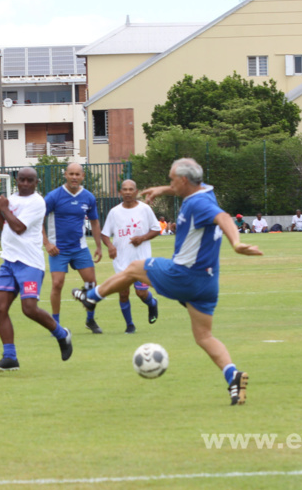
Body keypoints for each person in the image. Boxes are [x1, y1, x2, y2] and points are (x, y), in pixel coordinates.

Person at [73, 158, 262, 405]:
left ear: (184, 180)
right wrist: (163, 189)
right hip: (207, 283)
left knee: (133, 268)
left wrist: (236, 243)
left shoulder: (198, 203)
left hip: (183, 275)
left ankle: (92, 297)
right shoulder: (205, 190)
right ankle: (233, 377)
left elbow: (224, 218)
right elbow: (191, 190)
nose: (170, 183)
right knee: (204, 336)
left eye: (172, 180)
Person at [0, 167, 73, 372]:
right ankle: (10, 357)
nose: (25, 184)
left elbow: (19, 228)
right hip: (9, 261)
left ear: (36, 183)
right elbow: (6, 223)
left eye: (30, 181)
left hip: (30, 264)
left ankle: (62, 335)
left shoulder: (37, 202)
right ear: (16, 180)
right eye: (22, 180)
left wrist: (4, 208)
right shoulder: (10, 199)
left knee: (29, 309)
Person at [44, 162, 103, 333]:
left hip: (79, 247)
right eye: (71, 174)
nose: (74, 177)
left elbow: (94, 221)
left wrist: (98, 246)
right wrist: (47, 243)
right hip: (58, 249)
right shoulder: (53, 196)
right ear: (66, 175)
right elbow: (39, 219)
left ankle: (90, 321)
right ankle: (55, 324)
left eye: (78, 174)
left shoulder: (89, 197)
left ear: (83, 176)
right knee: (57, 284)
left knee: (92, 284)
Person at [100, 180, 161, 334]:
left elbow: (156, 229)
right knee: (123, 292)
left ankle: (152, 303)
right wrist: (111, 246)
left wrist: (142, 238)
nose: (127, 192)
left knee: (141, 293)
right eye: (124, 190)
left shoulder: (145, 209)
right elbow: (105, 234)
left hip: (141, 260)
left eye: (130, 189)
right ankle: (130, 325)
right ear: (120, 192)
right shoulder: (114, 212)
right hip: (121, 260)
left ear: (136, 192)